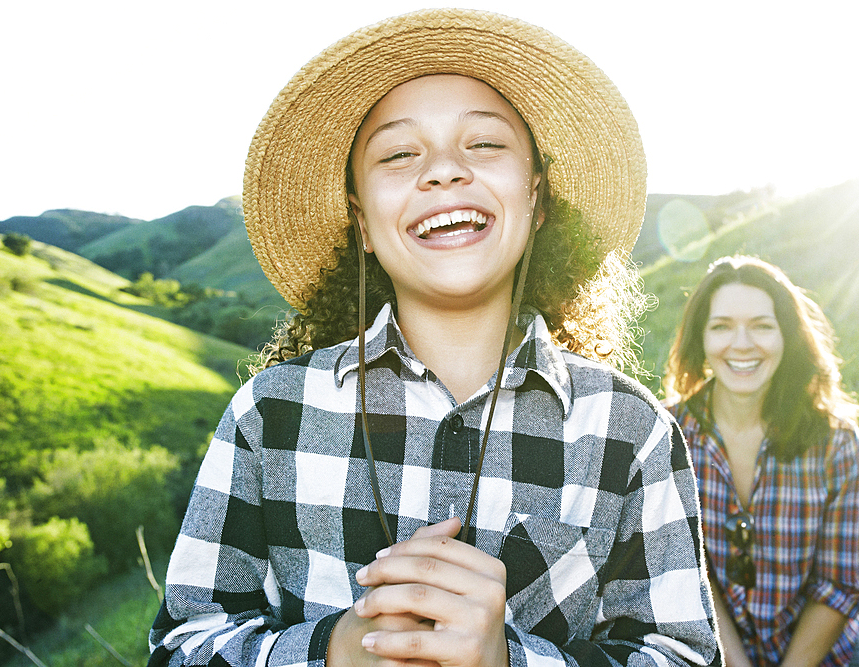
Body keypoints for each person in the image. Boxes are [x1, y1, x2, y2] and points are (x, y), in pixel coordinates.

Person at [147, 9, 721, 667]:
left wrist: (511, 660)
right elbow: (179, 646)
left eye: (484, 144)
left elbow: (686, 657)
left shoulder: (630, 432)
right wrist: (333, 649)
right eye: (398, 154)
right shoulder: (269, 413)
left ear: (535, 197)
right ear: (362, 223)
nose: (444, 170)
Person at [662, 255, 859, 667]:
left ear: (787, 336)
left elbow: (837, 584)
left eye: (762, 325)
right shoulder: (666, 432)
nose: (742, 344)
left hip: (823, 654)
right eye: (722, 326)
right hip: (713, 651)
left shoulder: (835, 440)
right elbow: (687, 572)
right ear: (701, 339)